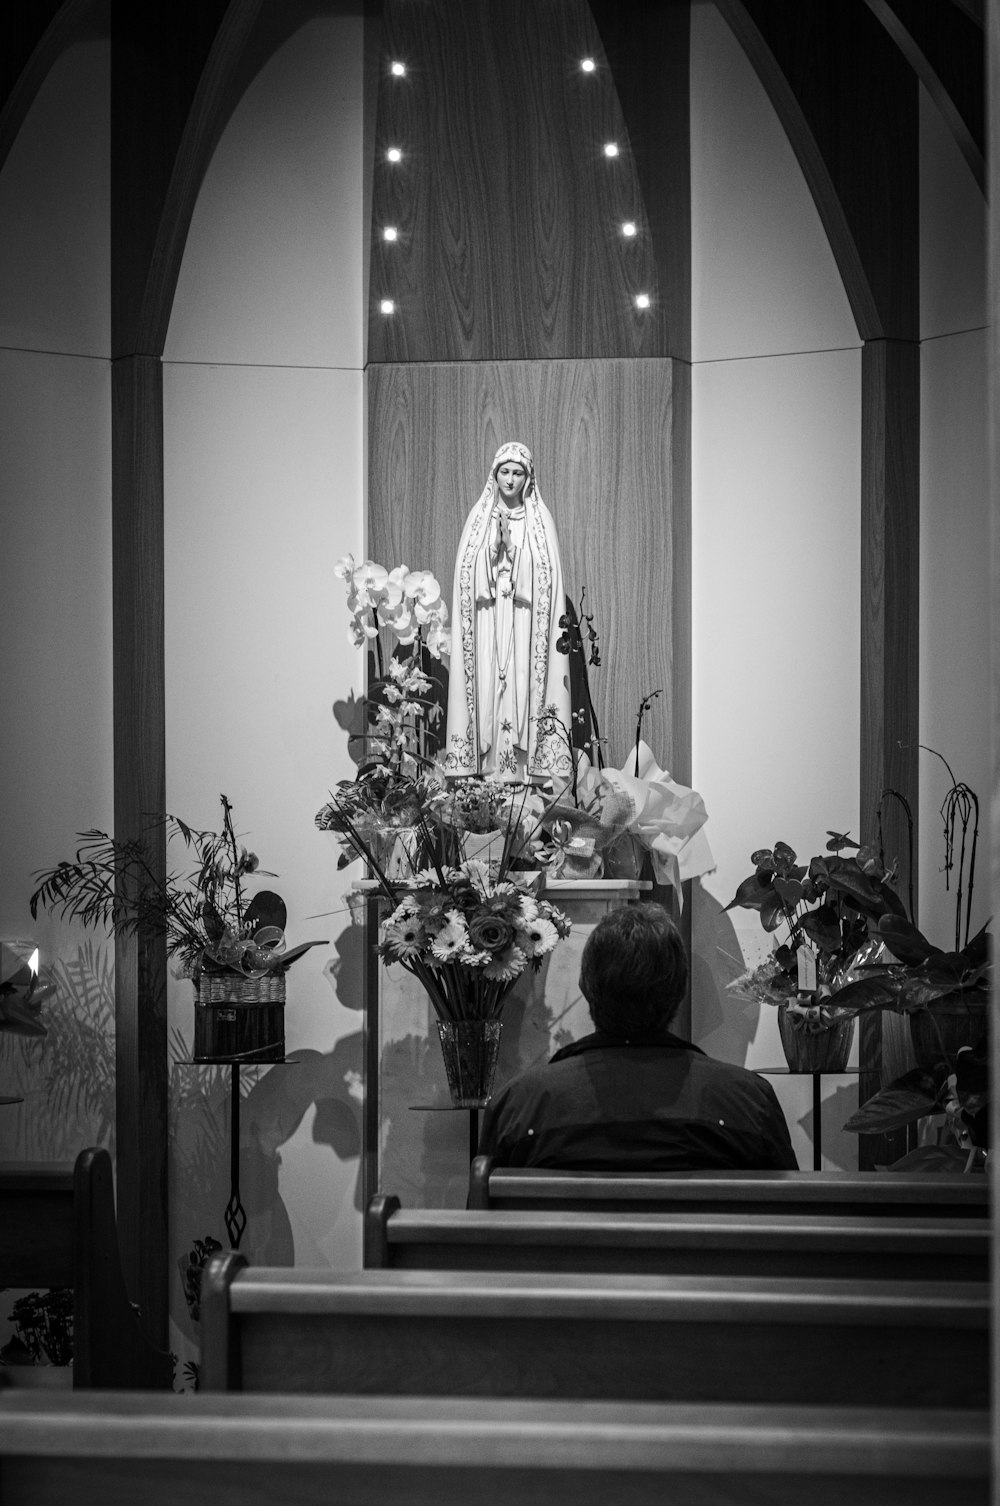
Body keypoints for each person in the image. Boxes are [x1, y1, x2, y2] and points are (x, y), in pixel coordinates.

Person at [478, 902, 798, 1170]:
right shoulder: (748, 1103)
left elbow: (486, 1234)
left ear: (588, 988)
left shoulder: (520, 1105)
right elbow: (789, 1224)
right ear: (679, 990)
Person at [445, 441, 573, 781]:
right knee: (490, 690)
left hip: (525, 624)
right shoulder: (480, 518)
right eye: (505, 472)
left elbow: (548, 578)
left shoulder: (539, 520)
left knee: (521, 689)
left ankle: (524, 770)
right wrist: (492, 548)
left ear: (528, 478)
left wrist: (513, 551)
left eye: (518, 473)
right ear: (495, 474)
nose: (510, 480)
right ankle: (486, 769)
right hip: (489, 622)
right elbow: (465, 576)